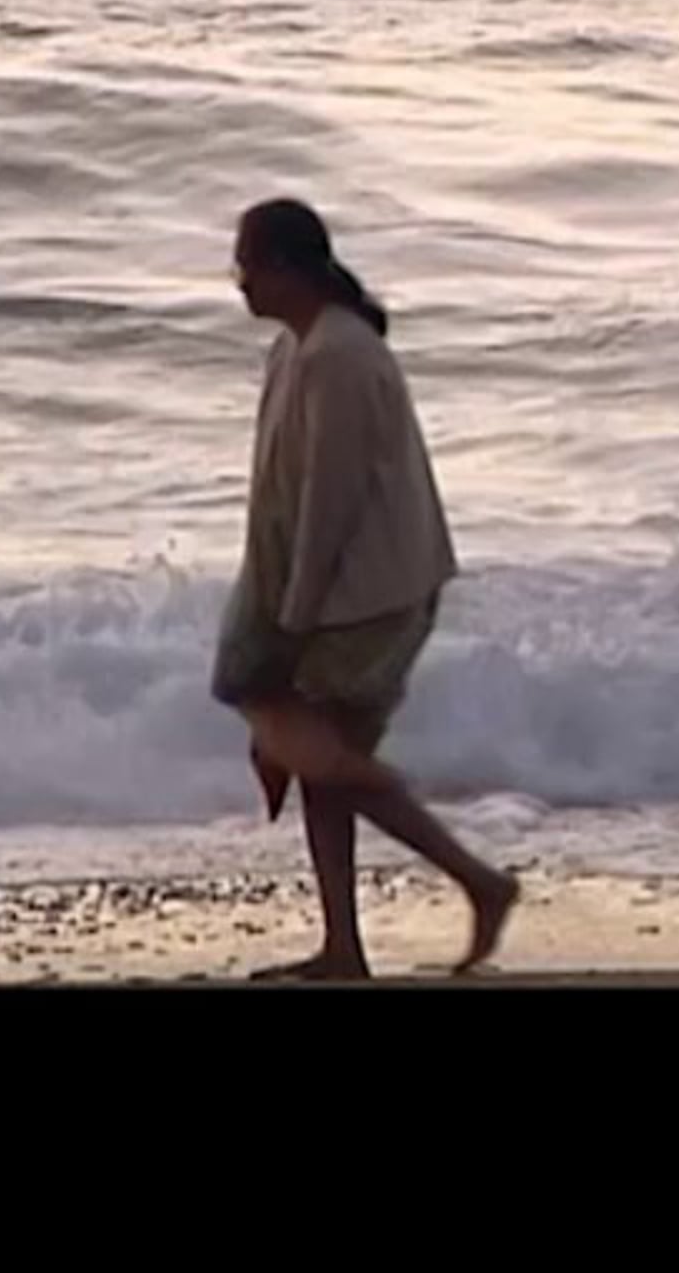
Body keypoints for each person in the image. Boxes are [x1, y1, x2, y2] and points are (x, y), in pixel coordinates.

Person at [214, 199, 519, 980]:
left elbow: (333, 502)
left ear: (288, 268)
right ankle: (343, 947)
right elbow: (280, 497)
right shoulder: (295, 350)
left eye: (248, 264)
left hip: (368, 597)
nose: (239, 280)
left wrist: (295, 619)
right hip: (330, 590)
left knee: (330, 764)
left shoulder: (339, 357)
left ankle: (477, 880)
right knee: (319, 765)